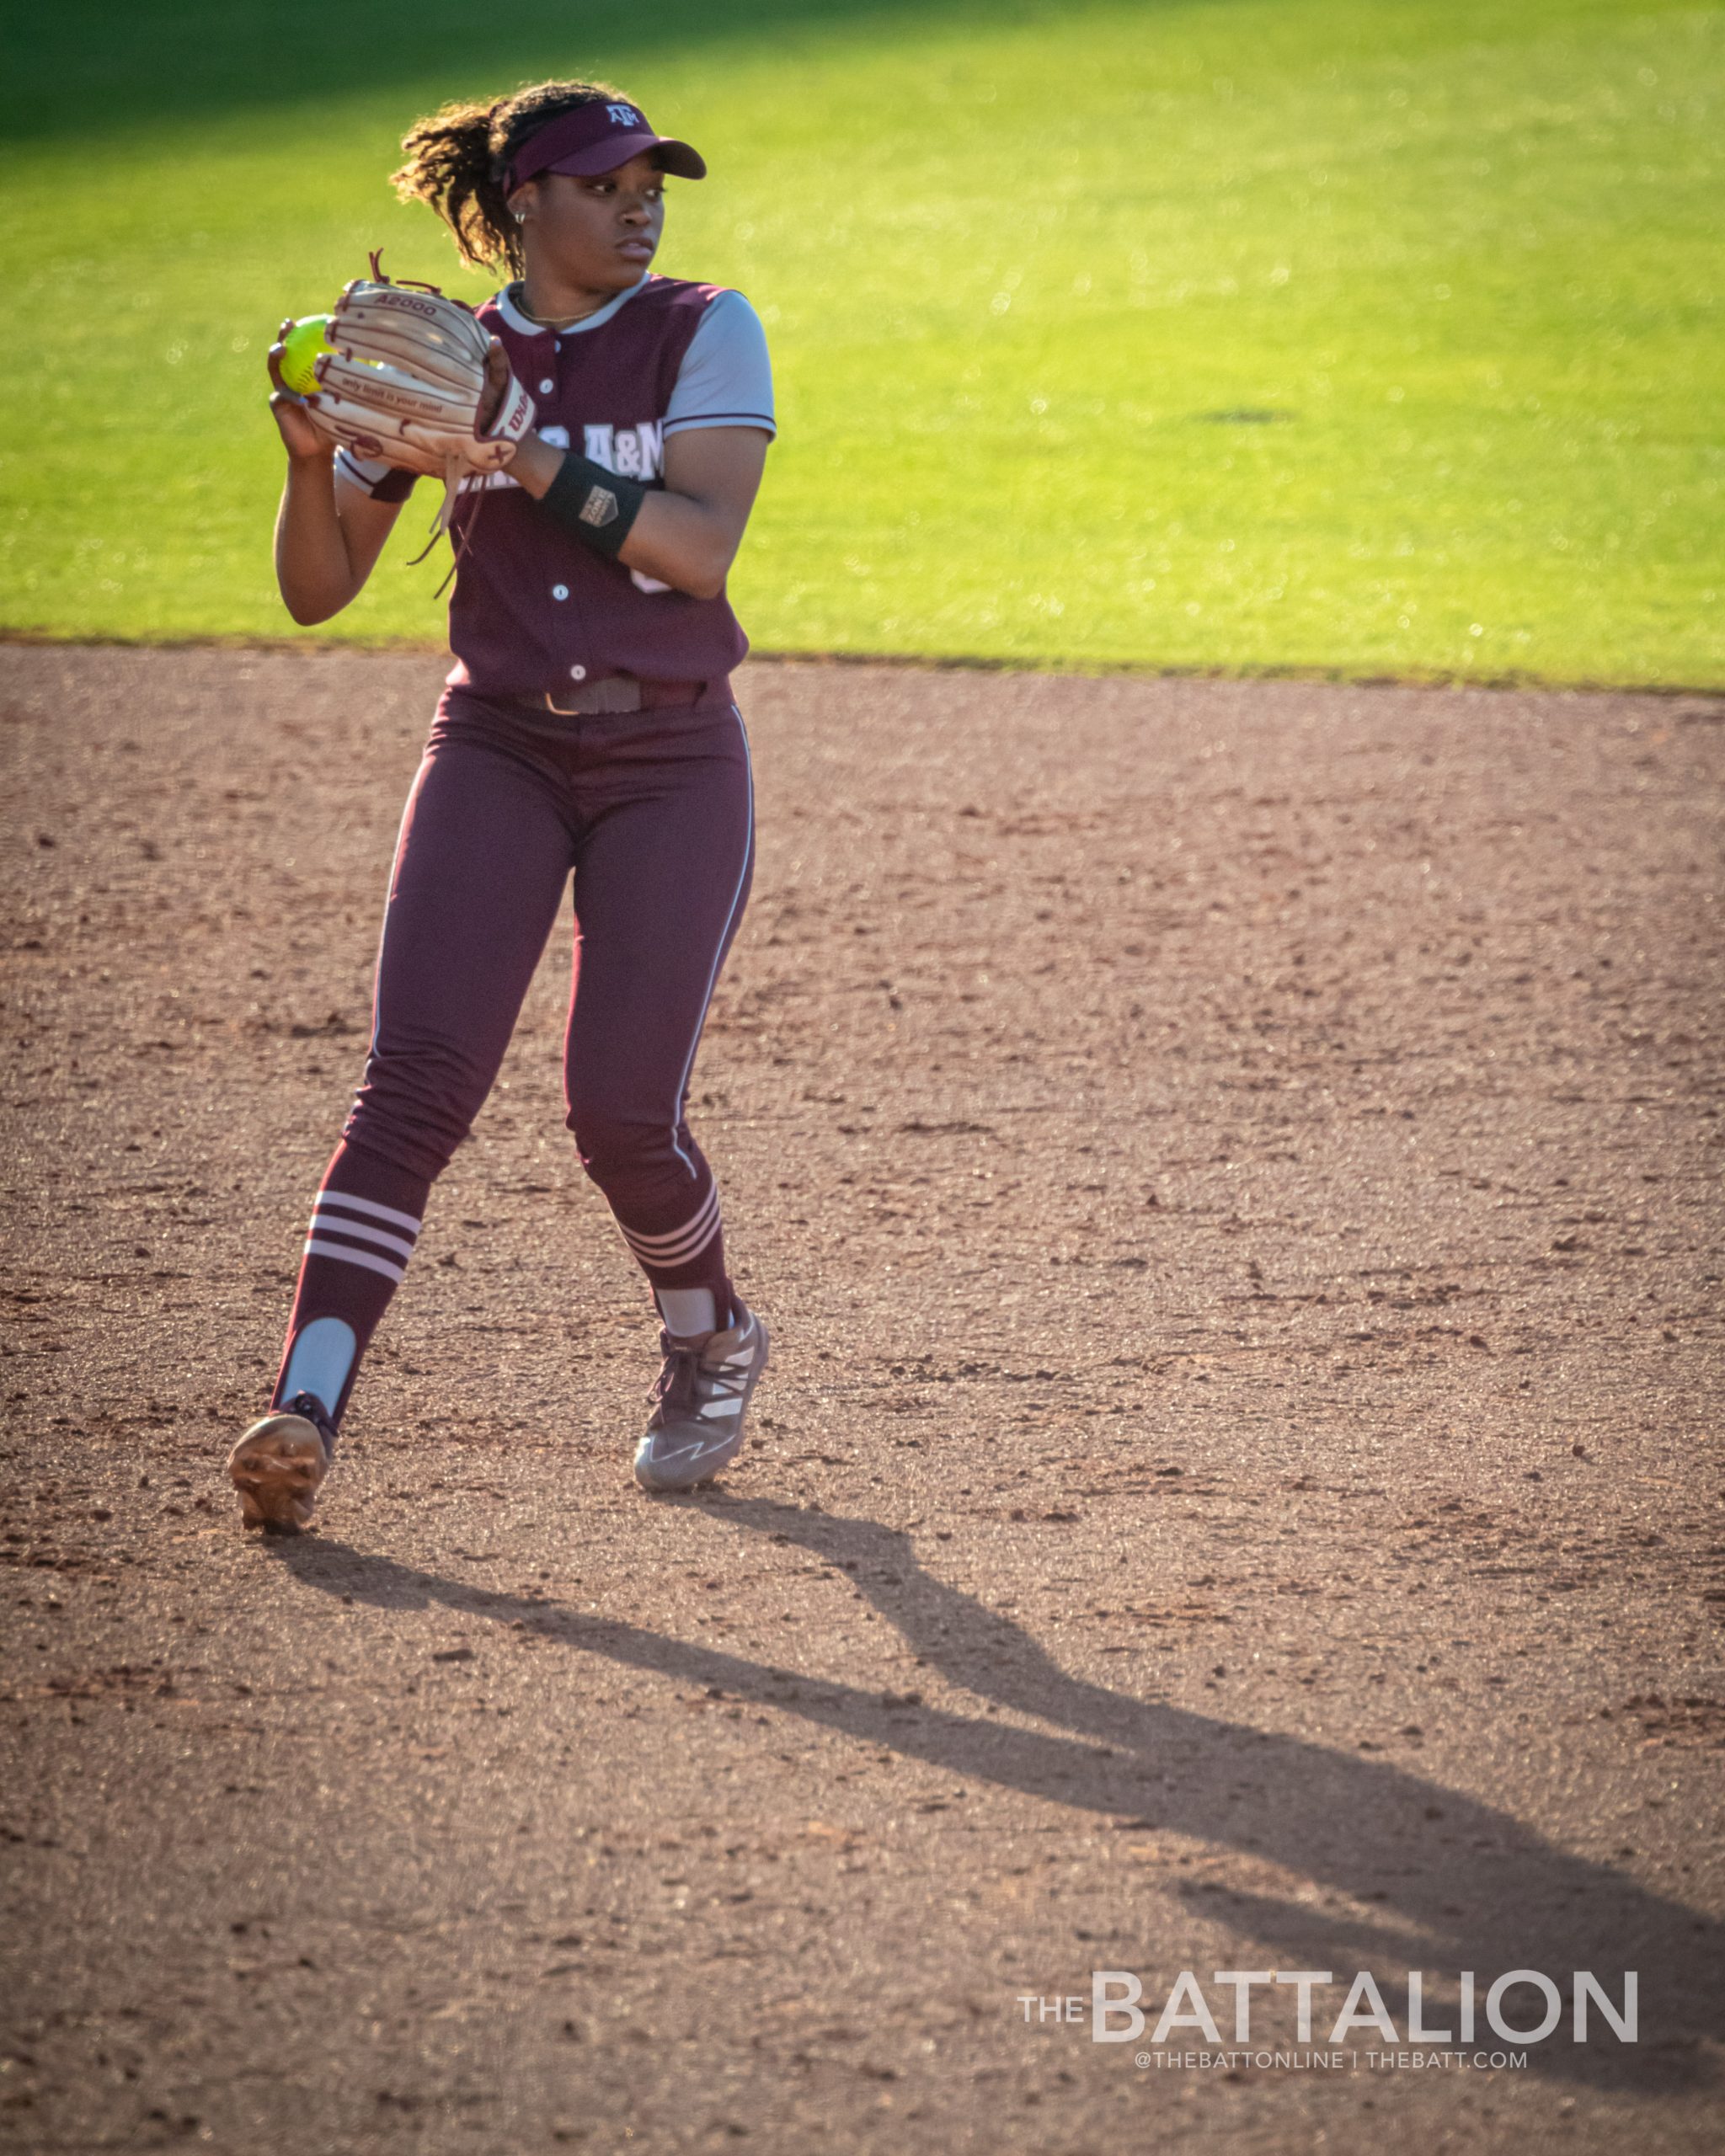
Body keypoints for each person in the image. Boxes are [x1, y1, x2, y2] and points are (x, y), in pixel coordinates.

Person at [227, 79, 775, 1532]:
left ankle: (707, 1330)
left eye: (653, 179)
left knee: (618, 1110)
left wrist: (523, 447)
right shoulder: (441, 357)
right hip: (497, 749)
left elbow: (702, 550)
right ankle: (307, 1406)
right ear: (524, 201)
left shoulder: (701, 326)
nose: (641, 202)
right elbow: (315, 588)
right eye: (606, 183)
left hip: (670, 761)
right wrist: (311, 464)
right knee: (412, 1083)